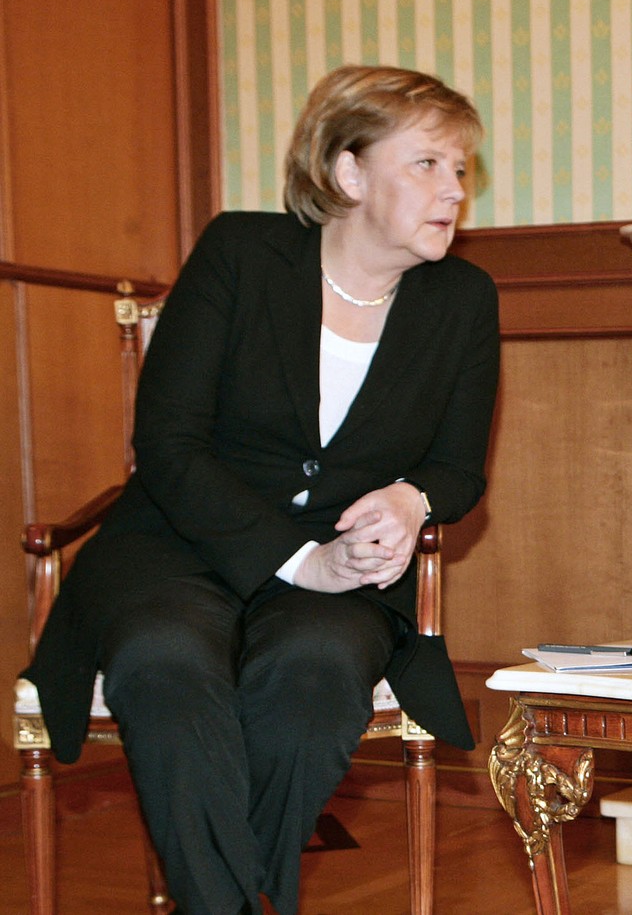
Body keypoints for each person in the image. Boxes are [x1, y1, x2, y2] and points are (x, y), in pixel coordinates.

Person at [22, 65, 499, 915]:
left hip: (345, 569)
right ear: (348, 173)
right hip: (177, 545)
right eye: (427, 164)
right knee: (165, 661)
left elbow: (458, 468)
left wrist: (411, 498)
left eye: (460, 169)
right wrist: (292, 557)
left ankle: (230, 897)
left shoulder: (462, 299)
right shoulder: (241, 252)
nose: (453, 190)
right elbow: (166, 445)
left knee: (314, 672)